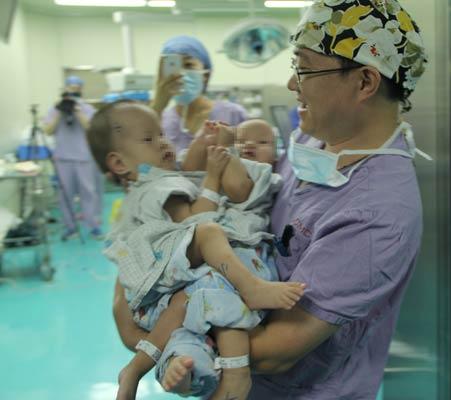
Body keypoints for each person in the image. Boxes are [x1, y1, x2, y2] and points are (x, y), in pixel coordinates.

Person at [114, 0, 429, 398]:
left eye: (304, 68)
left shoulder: (378, 213)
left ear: (365, 82)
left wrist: (142, 331)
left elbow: (277, 350)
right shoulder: (314, 144)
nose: (292, 84)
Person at [86, 101, 304, 400]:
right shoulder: (158, 186)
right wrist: (214, 175)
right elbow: (195, 219)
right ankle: (251, 289)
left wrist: (203, 141)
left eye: (161, 134)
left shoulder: (154, 179)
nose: (163, 142)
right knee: (210, 234)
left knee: (188, 318)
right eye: (149, 139)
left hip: (160, 283)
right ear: (119, 163)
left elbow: (188, 168)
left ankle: (163, 370)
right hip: (165, 260)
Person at [152, 35, 248, 154]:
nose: (180, 74)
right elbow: (141, 161)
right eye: (173, 66)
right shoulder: (159, 120)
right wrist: (157, 105)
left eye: (188, 65)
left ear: (206, 74)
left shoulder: (233, 114)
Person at [43, 75, 104, 240]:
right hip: (63, 158)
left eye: (76, 88)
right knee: (65, 195)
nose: (73, 90)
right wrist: (59, 112)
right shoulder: (55, 109)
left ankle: (93, 226)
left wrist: (77, 110)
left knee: (88, 193)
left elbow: (90, 128)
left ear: (81, 90)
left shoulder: (87, 108)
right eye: (70, 88)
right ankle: (70, 227)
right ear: (65, 89)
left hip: (84, 158)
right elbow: (48, 131)